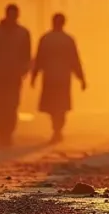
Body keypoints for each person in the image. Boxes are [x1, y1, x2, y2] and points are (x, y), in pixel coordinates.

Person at [0, 3, 32, 145]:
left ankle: (7, 133)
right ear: (6, 14)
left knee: (11, 105)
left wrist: (24, 69)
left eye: (14, 14)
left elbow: (26, 54)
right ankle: (0, 131)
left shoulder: (23, 33)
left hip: (13, 75)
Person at [31, 13, 86, 143]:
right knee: (60, 105)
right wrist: (81, 78)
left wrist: (34, 76)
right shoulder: (67, 39)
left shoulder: (46, 39)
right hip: (62, 77)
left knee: (54, 105)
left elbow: (39, 59)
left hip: (51, 77)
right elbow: (75, 60)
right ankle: (57, 129)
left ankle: (56, 129)